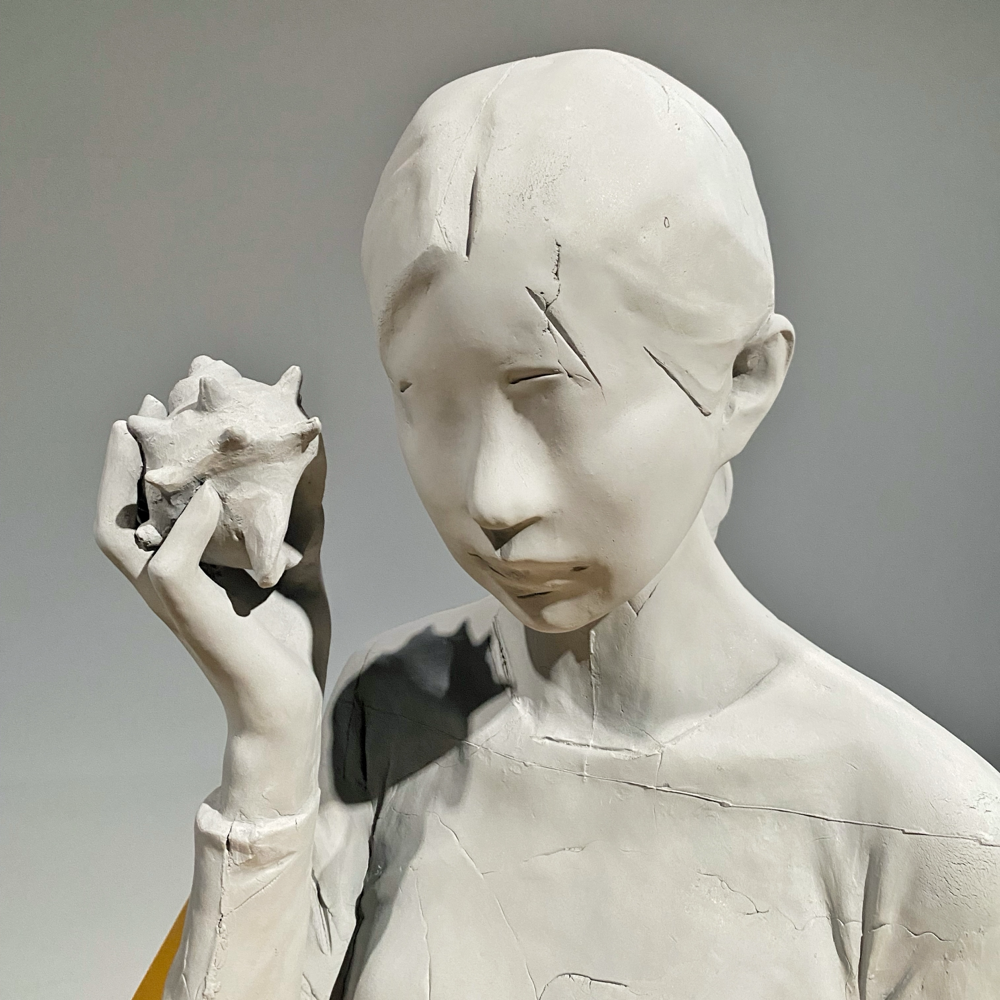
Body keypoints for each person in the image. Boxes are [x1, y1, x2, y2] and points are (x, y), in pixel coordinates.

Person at [96, 50, 1000, 1000]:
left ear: (745, 378)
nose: (492, 499)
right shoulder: (383, 721)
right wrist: (268, 745)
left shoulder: (934, 838)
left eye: (547, 391)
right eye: (424, 397)